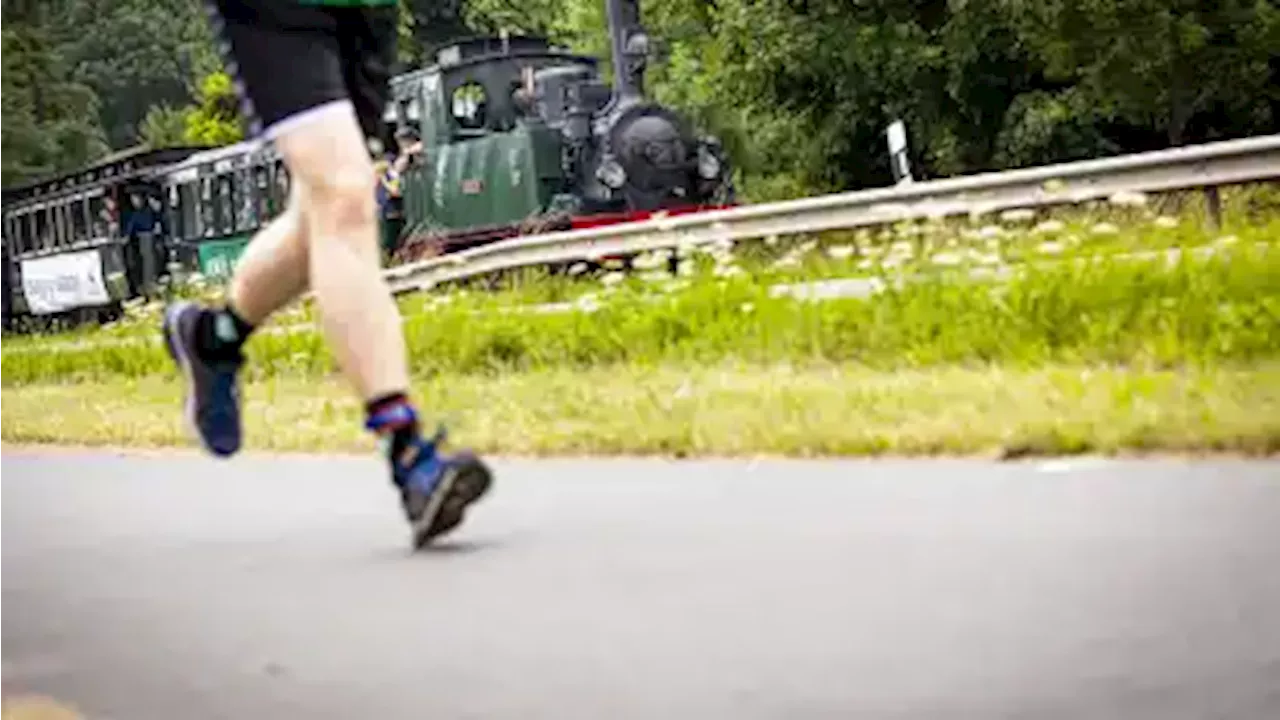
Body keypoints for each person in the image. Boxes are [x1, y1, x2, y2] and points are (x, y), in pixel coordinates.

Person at [161, 0, 493, 549]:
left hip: (364, 13)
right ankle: (408, 453)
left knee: (319, 213)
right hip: (280, 12)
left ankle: (214, 337)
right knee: (344, 193)